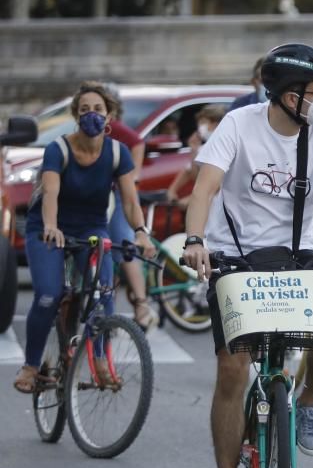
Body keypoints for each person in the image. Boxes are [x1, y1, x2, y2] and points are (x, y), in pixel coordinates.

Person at [181, 43, 313, 468]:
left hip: (298, 255)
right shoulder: (238, 125)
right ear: (288, 96)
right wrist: (196, 240)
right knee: (232, 367)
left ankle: (306, 403)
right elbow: (205, 186)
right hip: (233, 257)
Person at [13, 82, 153, 393]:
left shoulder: (118, 153)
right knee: (48, 295)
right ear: (76, 116)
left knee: (104, 291)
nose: (91, 115)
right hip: (48, 228)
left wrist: (141, 233)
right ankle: (31, 365)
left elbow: (130, 201)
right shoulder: (58, 149)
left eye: (98, 110)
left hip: (91, 227)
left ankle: (100, 359)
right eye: (84, 110)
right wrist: (51, 225)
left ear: (110, 116)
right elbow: (51, 191)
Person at [104, 84, 159, 330]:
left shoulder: (113, 128)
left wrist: (133, 174)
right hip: (99, 197)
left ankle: (141, 303)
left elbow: (137, 142)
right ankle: (108, 310)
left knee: (125, 247)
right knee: (106, 251)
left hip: (118, 193)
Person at [165, 105, 226, 207]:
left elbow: (215, 184)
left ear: (215, 125)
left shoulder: (221, 148)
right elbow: (192, 174)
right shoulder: (204, 147)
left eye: (203, 122)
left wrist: (191, 200)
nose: (199, 127)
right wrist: (193, 150)